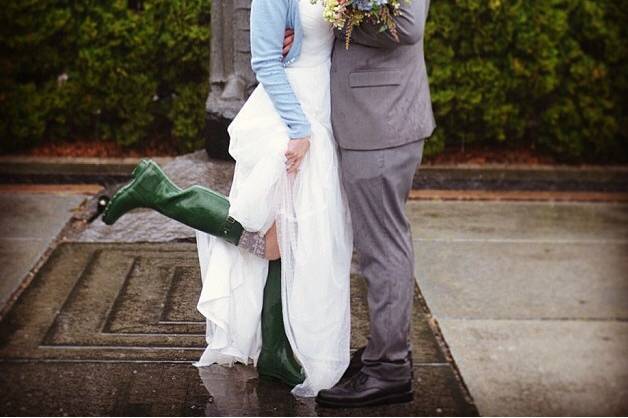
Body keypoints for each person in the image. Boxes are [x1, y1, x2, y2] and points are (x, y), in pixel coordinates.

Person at [101, 0, 353, 398]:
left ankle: (275, 349)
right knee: (272, 239)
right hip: (291, 115)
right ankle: (161, 193)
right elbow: (266, 62)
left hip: (324, 108)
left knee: (287, 236)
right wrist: (299, 129)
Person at [283, 0, 436, 409]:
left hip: (381, 121)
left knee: (382, 247)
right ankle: (383, 354)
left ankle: (389, 368)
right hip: (371, 118)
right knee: (378, 245)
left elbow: (406, 25)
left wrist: (330, 23)